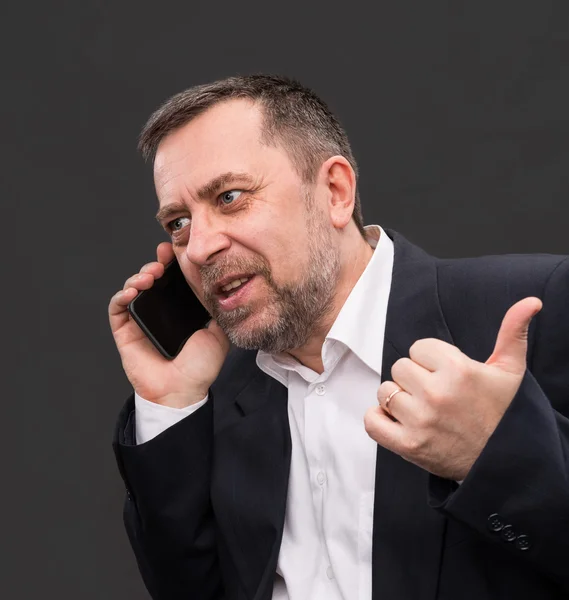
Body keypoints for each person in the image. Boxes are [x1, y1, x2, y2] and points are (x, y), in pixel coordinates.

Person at [109, 75, 569, 600]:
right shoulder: (212, 396)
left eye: (230, 196)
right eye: (179, 222)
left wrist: (498, 456)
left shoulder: (537, 310)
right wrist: (170, 404)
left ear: (334, 192)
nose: (198, 248)